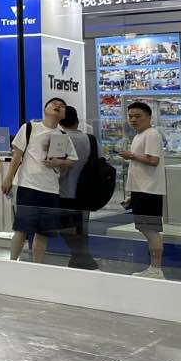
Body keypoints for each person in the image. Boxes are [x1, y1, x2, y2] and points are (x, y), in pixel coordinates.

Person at [2, 97, 77, 263]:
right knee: (21, 229)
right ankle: (12, 263)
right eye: (54, 104)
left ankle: (38, 266)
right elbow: (17, 156)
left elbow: (72, 160)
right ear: (45, 109)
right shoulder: (29, 128)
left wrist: (59, 162)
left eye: (62, 106)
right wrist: (8, 178)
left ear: (64, 114)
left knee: (43, 232)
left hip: (51, 190)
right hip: (28, 187)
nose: (58, 106)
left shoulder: (63, 136)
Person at [120, 101, 165, 279]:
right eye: (131, 116)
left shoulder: (151, 134)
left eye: (138, 116)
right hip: (141, 190)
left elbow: (153, 160)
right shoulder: (140, 135)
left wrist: (130, 155)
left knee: (150, 230)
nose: (133, 120)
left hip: (149, 191)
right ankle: (154, 267)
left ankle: (156, 268)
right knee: (147, 229)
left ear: (149, 117)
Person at [59, 106, 99, 271]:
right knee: (82, 228)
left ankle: (84, 260)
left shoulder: (60, 139)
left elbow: (58, 168)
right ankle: (79, 260)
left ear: (60, 121)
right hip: (86, 191)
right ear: (77, 121)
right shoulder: (90, 139)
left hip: (64, 191)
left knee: (67, 228)